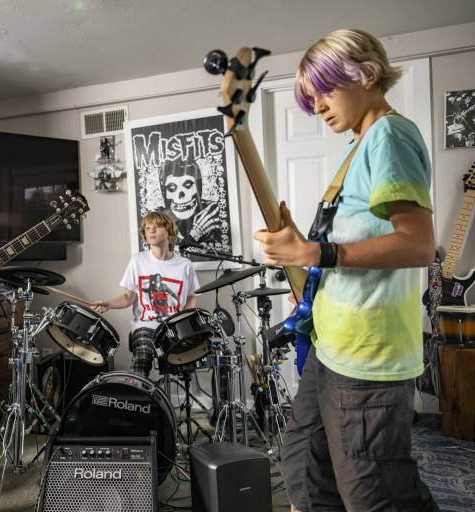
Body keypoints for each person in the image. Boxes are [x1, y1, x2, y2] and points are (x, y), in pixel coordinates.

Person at [253, 29, 438, 511]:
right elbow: (344, 244)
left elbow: (418, 245)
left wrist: (318, 254)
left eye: (324, 92)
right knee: (304, 461)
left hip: (368, 356)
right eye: (309, 99)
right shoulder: (359, 146)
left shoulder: (390, 136)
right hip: (330, 345)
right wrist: (302, 246)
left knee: (372, 491)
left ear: (367, 75)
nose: (316, 107)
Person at [91, 211, 199, 377]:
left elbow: (191, 296)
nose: (151, 231)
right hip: (145, 326)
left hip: (174, 327)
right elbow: (128, 297)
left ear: (169, 232)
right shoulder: (138, 261)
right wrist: (108, 303)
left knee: (191, 359)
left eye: (156, 227)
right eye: (148, 228)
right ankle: (138, 395)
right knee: (142, 357)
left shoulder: (185, 265)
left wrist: (187, 321)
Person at [159, 159, 223, 251]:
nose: (180, 195)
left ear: (198, 187)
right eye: (171, 188)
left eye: (188, 185)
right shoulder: (158, 217)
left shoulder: (213, 210)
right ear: (164, 192)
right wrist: (196, 233)